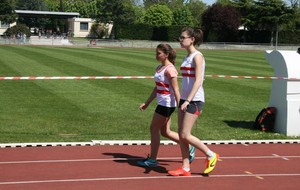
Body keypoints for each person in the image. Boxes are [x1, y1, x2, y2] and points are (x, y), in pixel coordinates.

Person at [168, 27, 219, 176]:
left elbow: (198, 81)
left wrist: (188, 100)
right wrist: (181, 99)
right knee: (180, 133)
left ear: (192, 39)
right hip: (184, 99)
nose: (180, 40)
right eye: (180, 37)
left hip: (194, 100)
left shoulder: (198, 56)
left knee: (185, 134)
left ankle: (211, 154)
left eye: (183, 37)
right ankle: (185, 167)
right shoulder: (186, 57)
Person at [137, 44, 195, 167]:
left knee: (153, 128)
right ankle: (189, 147)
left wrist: (181, 105)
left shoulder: (170, 69)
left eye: (159, 53)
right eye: (156, 53)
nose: (156, 55)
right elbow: (157, 88)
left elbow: (176, 89)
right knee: (165, 132)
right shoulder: (159, 67)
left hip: (167, 105)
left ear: (166, 54)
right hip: (162, 103)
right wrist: (147, 103)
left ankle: (152, 160)